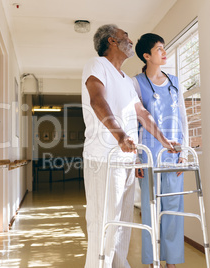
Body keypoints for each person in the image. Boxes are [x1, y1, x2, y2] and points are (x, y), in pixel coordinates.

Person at [82, 25, 179, 268]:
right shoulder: (97, 65)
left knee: (122, 222)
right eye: (126, 37)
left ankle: (118, 265)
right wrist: (121, 136)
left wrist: (165, 143)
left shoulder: (125, 79)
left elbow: (143, 114)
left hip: (125, 159)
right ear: (112, 41)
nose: (131, 40)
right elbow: (97, 100)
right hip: (103, 158)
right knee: (103, 220)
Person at [133, 33, 189, 268]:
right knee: (151, 208)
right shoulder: (136, 82)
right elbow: (135, 121)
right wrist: (137, 158)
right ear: (147, 56)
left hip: (174, 156)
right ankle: (153, 260)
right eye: (159, 49)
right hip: (148, 156)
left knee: (174, 209)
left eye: (164, 48)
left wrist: (184, 152)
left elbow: (183, 119)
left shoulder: (175, 82)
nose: (164, 52)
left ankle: (172, 262)